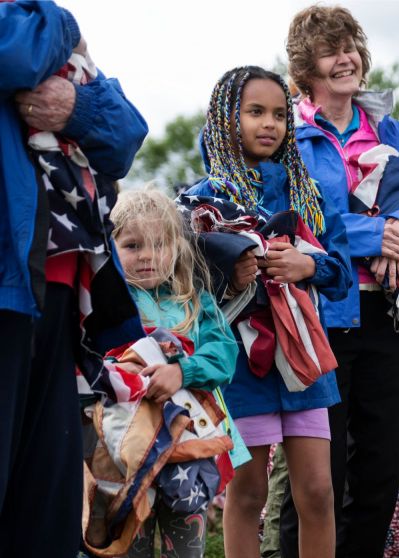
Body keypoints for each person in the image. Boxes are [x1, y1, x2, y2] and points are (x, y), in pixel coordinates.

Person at [281, 6, 399, 556]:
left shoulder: (387, 129)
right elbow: (286, 215)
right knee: (317, 475)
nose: (345, 58)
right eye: (331, 50)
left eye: (350, 46)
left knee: (379, 468)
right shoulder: (287, 130)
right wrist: (367, 236)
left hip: (388, 312)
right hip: (318, 314)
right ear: (307, 67)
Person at [184, 66, 351, 558]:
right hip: (242, 363)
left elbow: (340, 274)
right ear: (224, 118)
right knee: (250, 490)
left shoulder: (308, 196)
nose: (270, 124)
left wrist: (307, 264)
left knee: (318, 491)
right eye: (255, 111)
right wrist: (225, 273)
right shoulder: (202, 198)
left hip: (304, 359)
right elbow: (181, 279)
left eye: (280, 114)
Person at [0, 3, 147, 556]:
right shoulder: (44, 28)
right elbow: (15, 51)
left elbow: (127, 133)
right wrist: (68, 29)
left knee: (46, 506)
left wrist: (77, 108)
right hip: (6, 286)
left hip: (59, 292)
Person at [109, 189, 239, 557]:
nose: (148, 256)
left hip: (190, 449)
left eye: (159, 244)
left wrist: (182, 371)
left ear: (177, 248)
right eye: (133, 246)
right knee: (125, 546)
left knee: (185, 547)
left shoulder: (195, 300)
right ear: (112, 246)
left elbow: (225, 354)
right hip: (127, 452)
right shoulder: (106, 303)